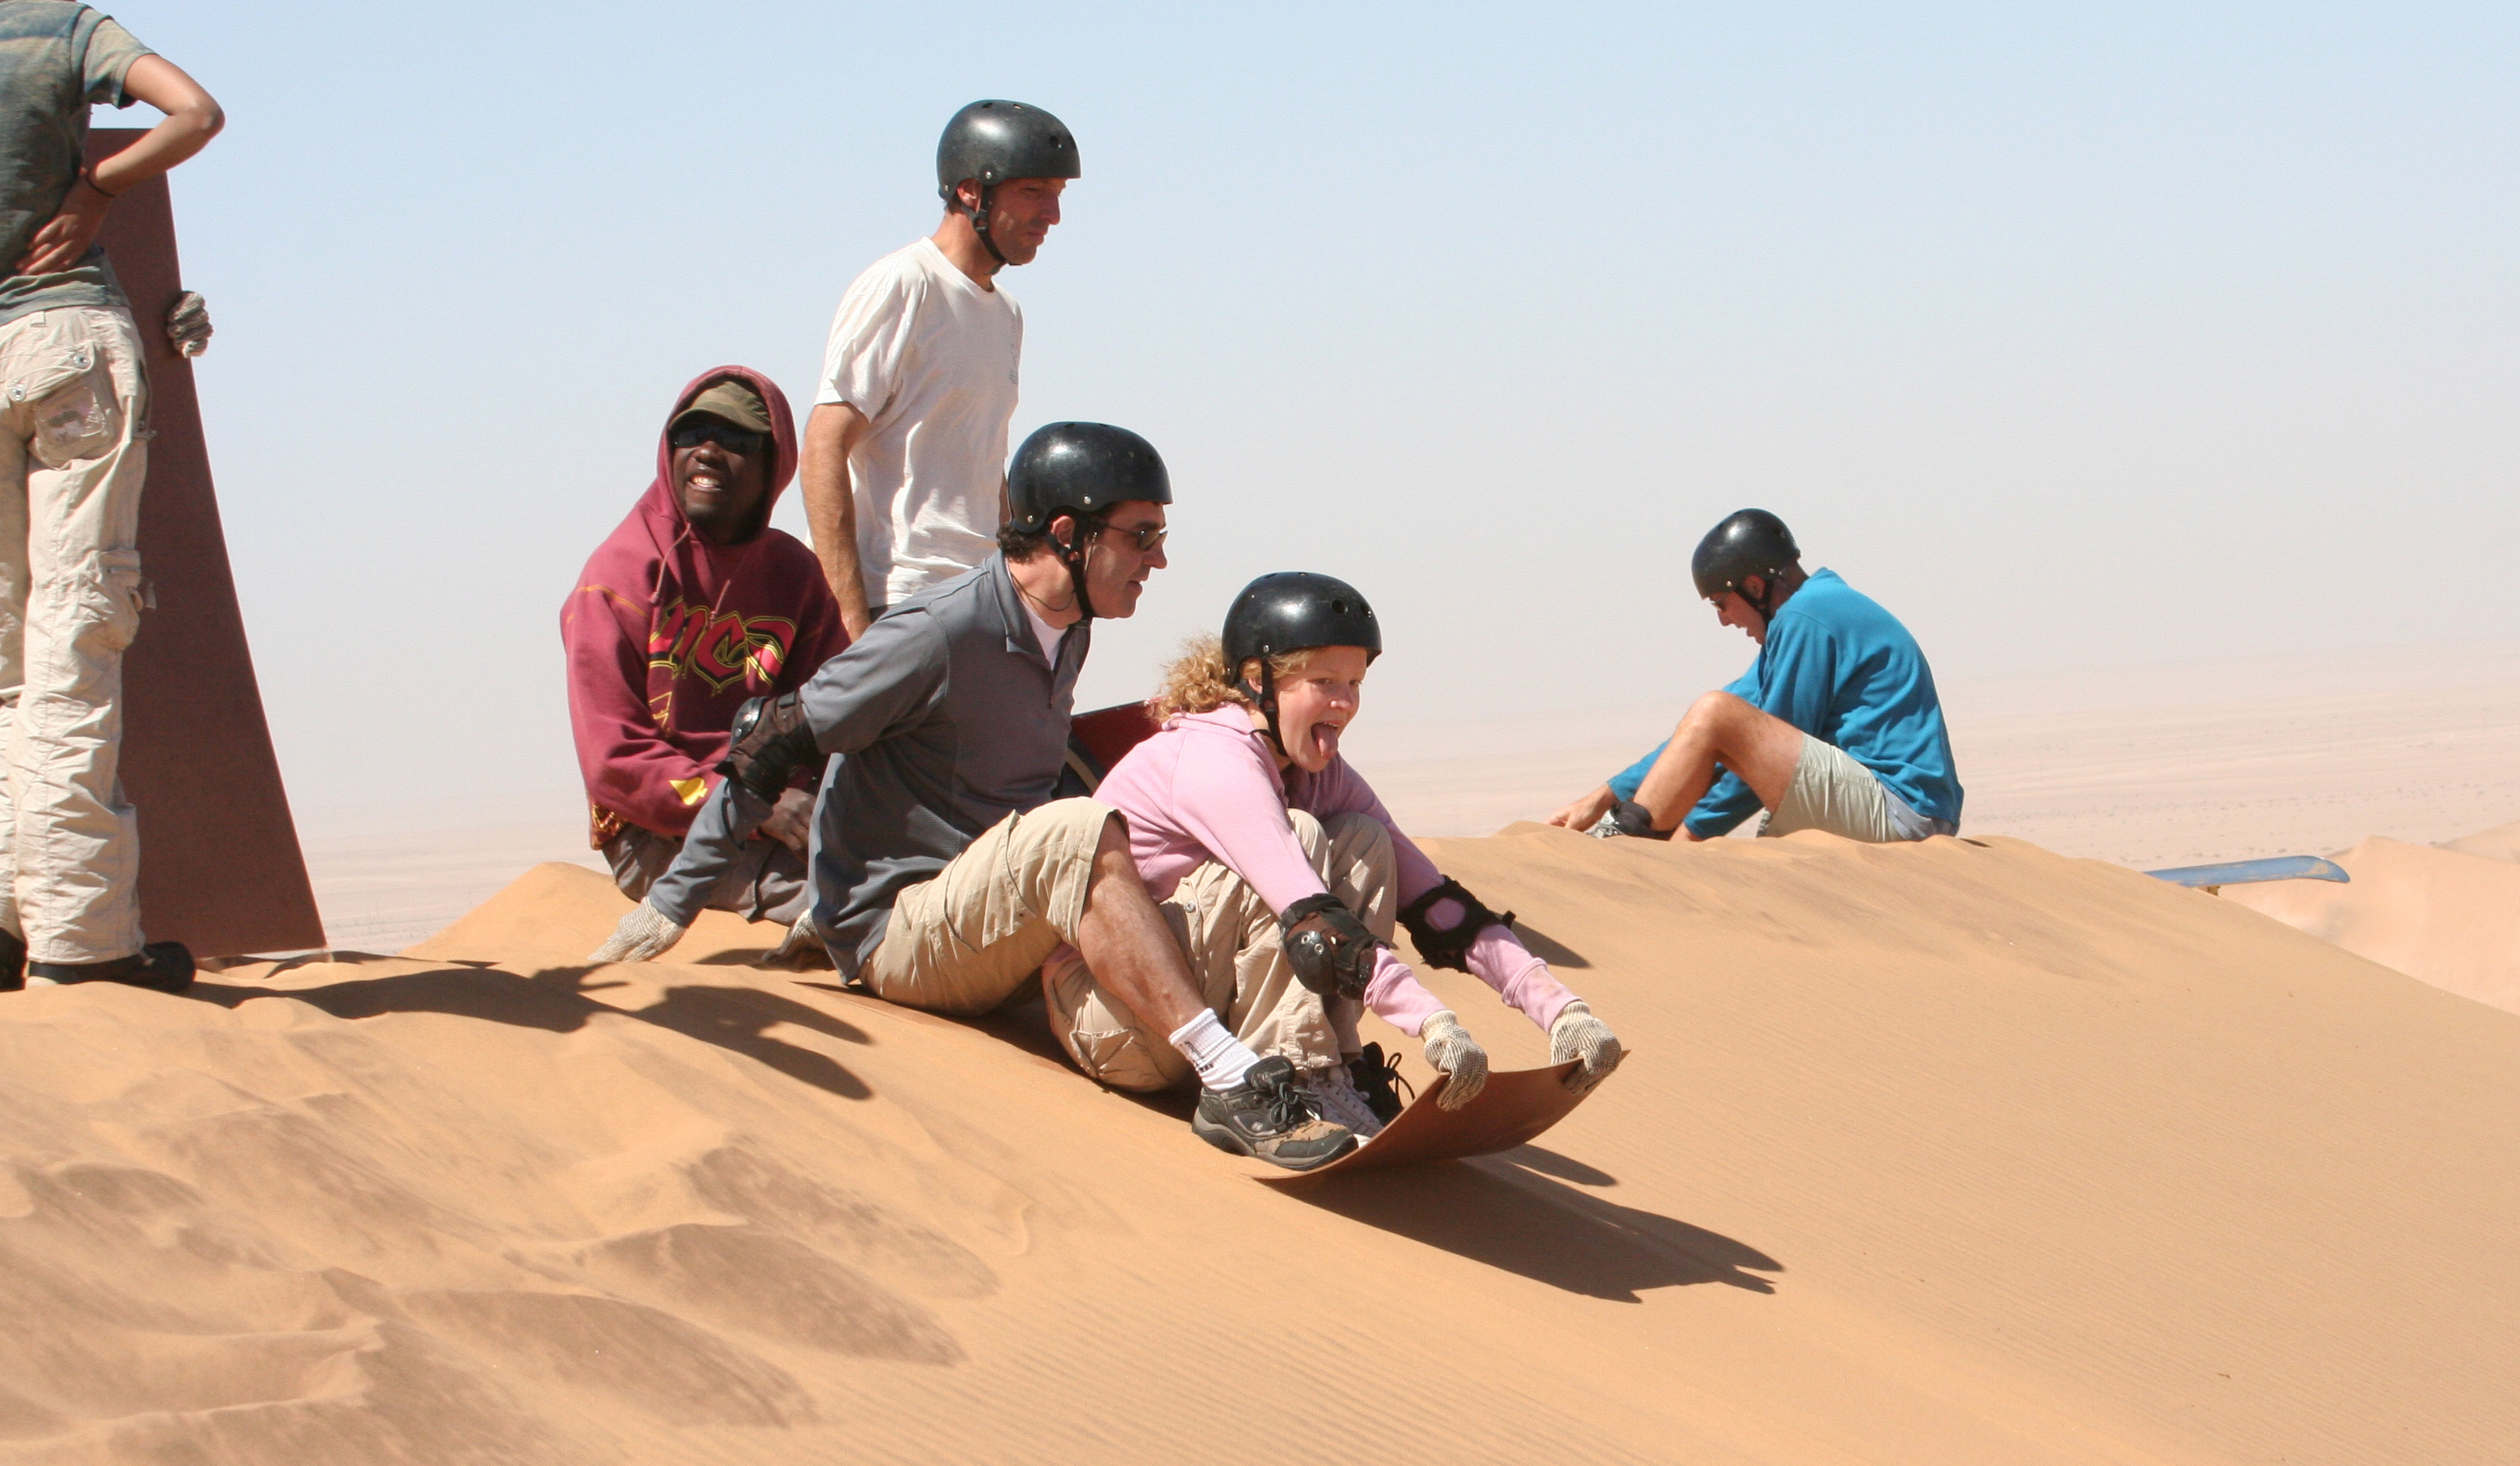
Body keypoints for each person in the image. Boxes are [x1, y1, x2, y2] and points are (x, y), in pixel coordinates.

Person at [590, 424, 1369, 1171]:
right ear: (1069, 533)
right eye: (1141, 536)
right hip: (897, 932)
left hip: (999, 923)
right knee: (1074, 829)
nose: (1158, 560)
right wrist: (673, 902)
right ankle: (1230, 1079)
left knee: (1281, 834)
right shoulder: (938, 631)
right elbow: (776, 738)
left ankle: (1311, 1078)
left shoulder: (1071, 627)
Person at [1051, 572, 1626, 1136]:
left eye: (1355, 684)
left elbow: (1436, 904)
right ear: (1257, 680)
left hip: (1206, 1027)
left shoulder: (1315, 770)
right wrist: (1432, 1023)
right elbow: (1312, 920)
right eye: (1324, 681)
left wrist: (1558, 1007)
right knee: (1300, 838)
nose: (1345, 703)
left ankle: (1334, 1068)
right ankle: (1303, 1076)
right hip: (1120, 1024)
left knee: (1363, 838)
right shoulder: (1216, 760)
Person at [0, 0, 223, 995]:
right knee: (75, 634)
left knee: (1, 649)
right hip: (65, 343)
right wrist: (97, 192)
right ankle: (83, 943)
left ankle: (5, 926)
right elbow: (195, 112)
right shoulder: (72, 35)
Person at [559, 368, 845, 927]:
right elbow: (614, 762)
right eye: (692, 435)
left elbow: (839, 710)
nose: (709, 453)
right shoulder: (619, 576)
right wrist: (752, 804)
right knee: (847, 904)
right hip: (659, 830)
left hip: (785, 810)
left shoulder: (794, 575)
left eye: (737, 440)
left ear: (775, 463)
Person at [803, 99, 1077, 645]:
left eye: (1057, 196)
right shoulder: (903, 284)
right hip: (902, 600)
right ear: (970, 192)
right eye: (1033, 193)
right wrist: (852, 627)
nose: (1052, 215)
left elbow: (981, 459)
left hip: (979, 602)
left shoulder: (1006, 313)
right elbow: (823, 448)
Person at [1548, 510, 1961, 844]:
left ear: (1753, 586)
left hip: (1902, 812)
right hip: (1899, 809)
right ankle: (1629, 832)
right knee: (1716, 713)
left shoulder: (1806, 618)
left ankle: (1628, 847)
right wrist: (1608, 793)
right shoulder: (1812, 613)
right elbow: (1704, 732)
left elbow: (1746, 740)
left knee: (1716, 712)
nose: (1724, 621)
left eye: (1721, 603)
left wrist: (1688, 838)